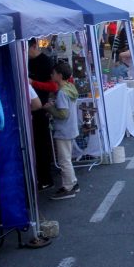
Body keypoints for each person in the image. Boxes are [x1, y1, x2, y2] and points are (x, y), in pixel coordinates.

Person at [44, 62, 80, 200]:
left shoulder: (61, 93)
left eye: (53, 73)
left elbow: (63, 114)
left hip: (63, 130)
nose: (51, 75)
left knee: (64, 160)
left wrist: (50, 109)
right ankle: (73, 182)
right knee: (67, 158)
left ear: (59, 75)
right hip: (70, 128)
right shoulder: (70, 88)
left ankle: (68, 187)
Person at [28, 38, 56, 190]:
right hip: (29, 109)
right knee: (33, 145)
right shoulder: (24, 61)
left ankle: (46, 178)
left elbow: (53, 86)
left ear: (34, 46)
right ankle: (36, 177)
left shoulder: (45, 61)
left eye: (27, 50)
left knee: (42, 145)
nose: (25, 54)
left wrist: (33, 83)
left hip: (41, 109)